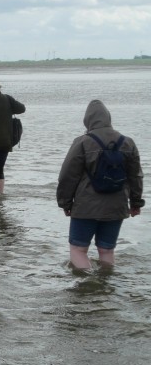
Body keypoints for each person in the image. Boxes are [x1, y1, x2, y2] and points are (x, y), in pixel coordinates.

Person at [56, 100, 144, 270]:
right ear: (108, 118)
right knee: (107, 250)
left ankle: (87, 288)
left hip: (85, 207)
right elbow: (136, 176)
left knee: (78, 250)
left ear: (87, 120)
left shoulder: (82, 142)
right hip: (116, 206)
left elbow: (67, 176)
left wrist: (65, 203)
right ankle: (106, 287)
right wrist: (135, 203)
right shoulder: (128, 142)